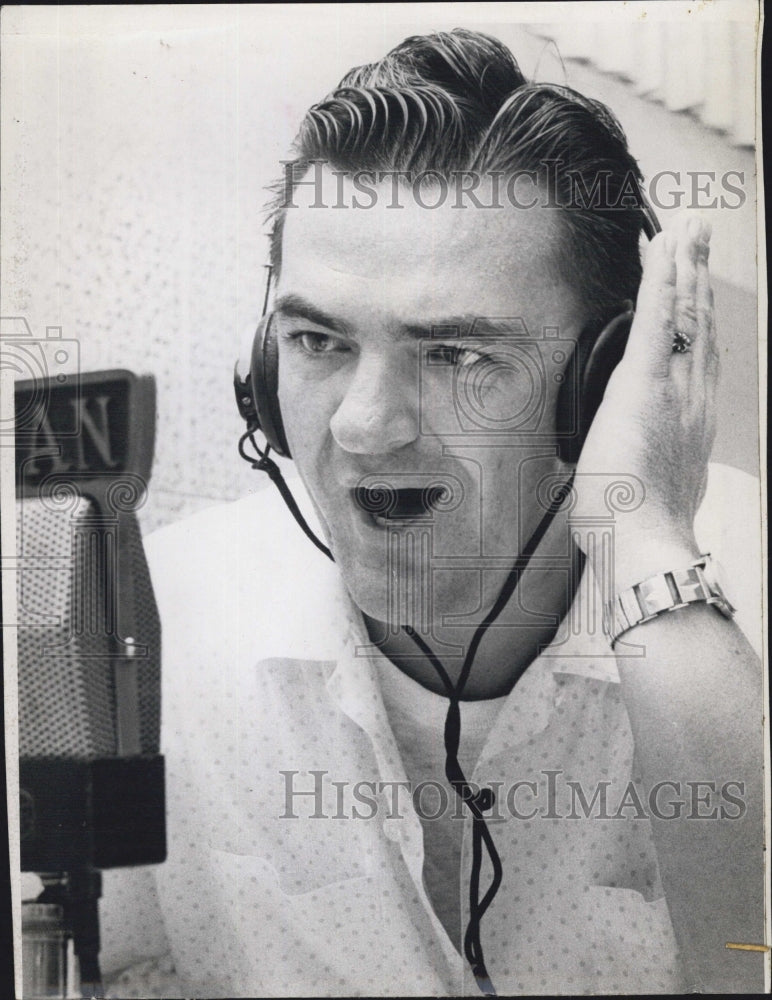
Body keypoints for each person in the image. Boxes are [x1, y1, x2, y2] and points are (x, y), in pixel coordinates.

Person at [99, 28, 765, 997]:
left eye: (456, 355)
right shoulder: (154, 622)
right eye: (319, 341)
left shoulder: (746, 606)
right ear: (262, 370)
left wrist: (647, 539)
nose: (364, 426)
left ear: (598, 386)